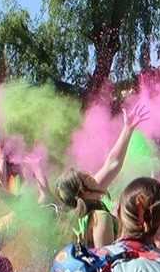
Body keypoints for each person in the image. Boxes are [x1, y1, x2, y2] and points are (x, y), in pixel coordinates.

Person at [55, 105, 147, 248]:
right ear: (84, 191)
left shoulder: (74, 214)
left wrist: (127, 129)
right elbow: (104, 264)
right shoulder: (100, 218)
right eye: (87, 178)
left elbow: (112, 163)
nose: (92, 175)